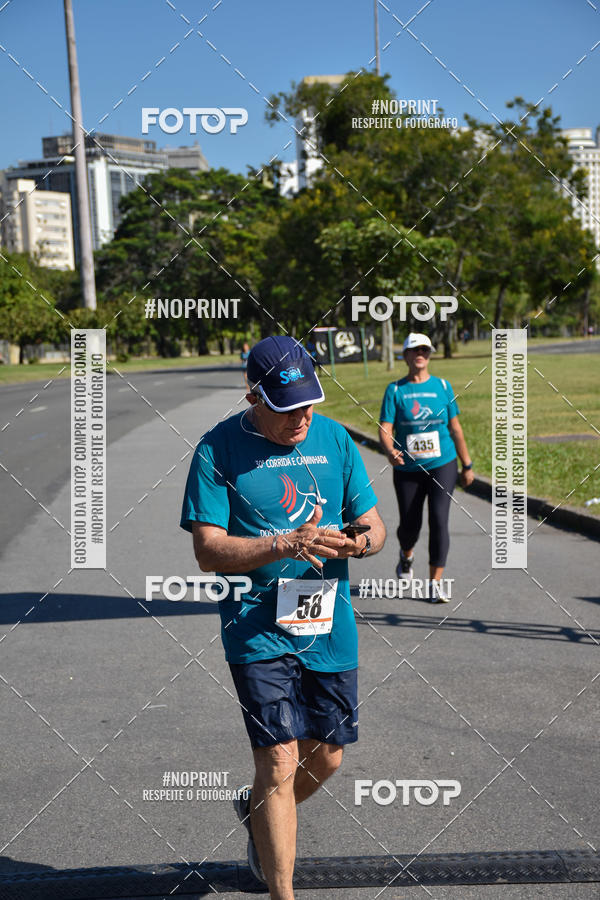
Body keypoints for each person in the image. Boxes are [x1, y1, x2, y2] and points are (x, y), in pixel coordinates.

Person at [181, 335, 386, 900]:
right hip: (256, 628)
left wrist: (358, 543)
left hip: (328, 626)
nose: (301, 417)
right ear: (254, 395)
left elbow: (374, 525)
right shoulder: (216, 450)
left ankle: (258, 815)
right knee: (278, 757)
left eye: (309, 403)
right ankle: (282, 893)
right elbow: (208, 550)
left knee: (330, 754)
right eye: (286, 406)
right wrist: (282, 545)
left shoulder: (335, 439)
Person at [378, 333, 474, 602]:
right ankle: (406, 556)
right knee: (410, 525)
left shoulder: (443, 386)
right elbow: (385, 428)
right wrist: (389, 450)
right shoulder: (395, 390)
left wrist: (467, 465)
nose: (420, 354)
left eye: (425, 350)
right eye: (414, 350)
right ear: (406, 355)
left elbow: (455, 428)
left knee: (439, 520)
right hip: (408, 469)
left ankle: (435, 583)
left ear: (430, 354)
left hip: (442, 463)